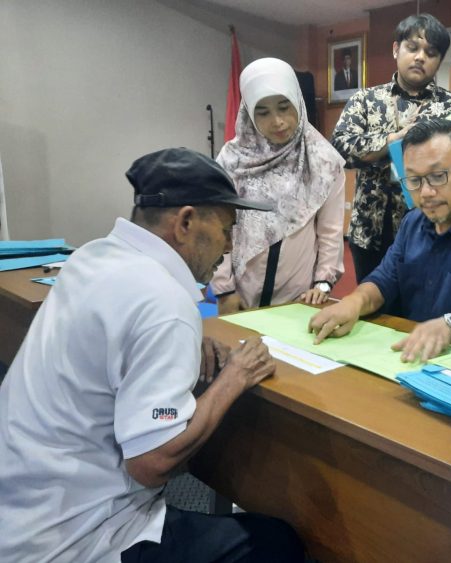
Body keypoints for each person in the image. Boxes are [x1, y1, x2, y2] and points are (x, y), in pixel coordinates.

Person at [0, 148, 305, 563]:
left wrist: (177, 344)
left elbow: (117, 337)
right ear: (185, 222)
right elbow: (152, 462)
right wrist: (236, 376)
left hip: (20, 507)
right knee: (276, 543)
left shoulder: (91, 258)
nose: (228, 246)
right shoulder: (162, 301)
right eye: (226, 230)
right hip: (74, 538)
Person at [311, 119, 451, 362]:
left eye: (438, 176)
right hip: (409, 355)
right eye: (414, 180)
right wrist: (353, 302)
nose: (426, 192)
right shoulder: (413, 222)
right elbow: (384, 280)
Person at [332, 13, 451, 283]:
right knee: (370, 310)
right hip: (369, 232)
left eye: (431, 52)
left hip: (431, 233)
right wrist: (391, 141)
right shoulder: (365, 99)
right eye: (413, 47)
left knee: (420, 311)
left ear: (439, 61)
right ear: (397, 49)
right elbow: (339, 149)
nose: (420, 57)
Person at [212, 57, 345, 313]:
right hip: (240, 293)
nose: (277, 121)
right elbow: (218, 226)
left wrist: (323, 283)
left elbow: (330, 231)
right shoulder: (232, 160)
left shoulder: (323, 160)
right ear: (249, 113)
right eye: (263, 112)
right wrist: (224, 289)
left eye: (284, 107)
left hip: (299, 296)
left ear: (297, 101)